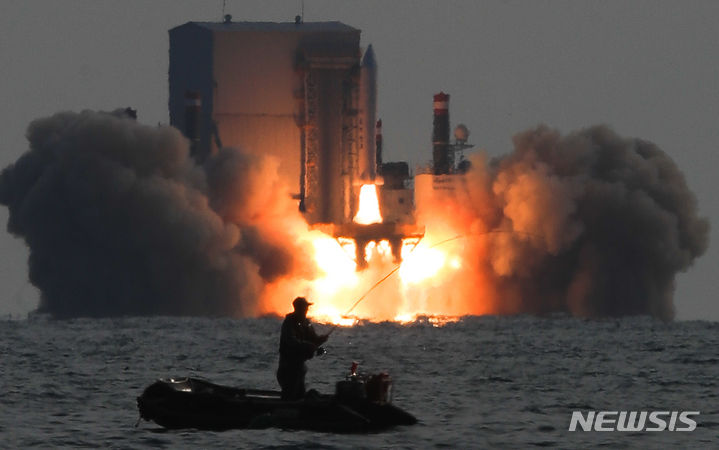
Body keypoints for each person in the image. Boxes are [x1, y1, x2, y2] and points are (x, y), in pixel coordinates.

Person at [276, 296, 328, 400]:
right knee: (289, 398)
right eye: (305, 307)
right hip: (288, 369)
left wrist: (320, 340)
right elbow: (291, 341)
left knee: (300, 396)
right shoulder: (289, 322)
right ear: (298, 308)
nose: (307, 310)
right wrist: (308, 345)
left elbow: (313, 339)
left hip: (300, 369)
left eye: (307, 307)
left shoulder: (306, 323)